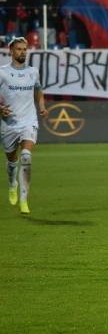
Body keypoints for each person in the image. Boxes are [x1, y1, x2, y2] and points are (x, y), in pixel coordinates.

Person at [0, 37, 48, 215]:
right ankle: (12, 184)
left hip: (29, 121)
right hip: (9, 124)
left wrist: (42, 107)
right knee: (12, 161)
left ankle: (23, 199)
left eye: (25, 49)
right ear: (11, 51)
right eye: (19, 49)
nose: (22, 52)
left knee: (26, 157)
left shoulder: (33, 72)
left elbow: (39, 90)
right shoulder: (2, 72)